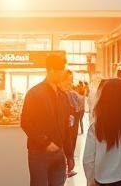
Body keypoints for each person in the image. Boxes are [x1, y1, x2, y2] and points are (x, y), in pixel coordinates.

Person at [21, 52, 73, 186]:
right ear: (51, 71)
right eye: (61, 70)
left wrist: (69, 154)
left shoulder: (63, 95)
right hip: (39, 153)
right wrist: (46, 143)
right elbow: (26, 122)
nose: (63, 73)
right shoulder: (34, 93)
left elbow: (66, 126)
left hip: (59, 154)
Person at [64, 71, 84, 177]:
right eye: (69, 79)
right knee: (68, 147)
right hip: (67, 128)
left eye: (71, 79)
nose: (71, 82)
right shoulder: (63, 94)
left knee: (71, 146)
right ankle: (67, 168)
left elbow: (78, 106)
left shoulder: (71, 93)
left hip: (72, 126)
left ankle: (69, 168)